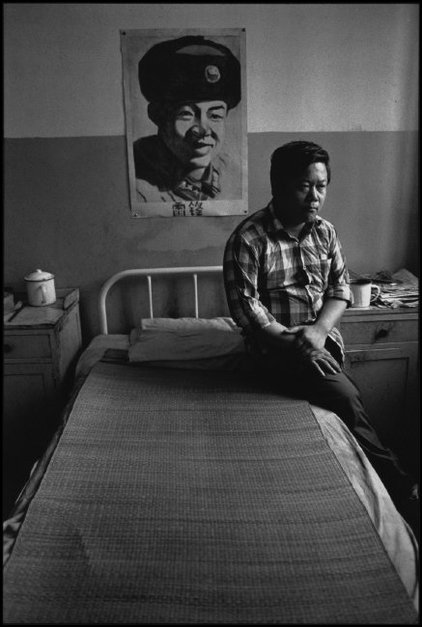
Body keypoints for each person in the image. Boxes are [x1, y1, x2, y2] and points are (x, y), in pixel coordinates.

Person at [223, 140, 419, 537]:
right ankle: (404, 490)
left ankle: (394, 482)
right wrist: (297, 343)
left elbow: (339, 290)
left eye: (322, 186)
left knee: (343, 395)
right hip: (274, 348)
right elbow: (247, 310)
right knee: (345, 397)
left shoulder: (326, 233)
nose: (315, 196)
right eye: (304, 186)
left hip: (320, 340)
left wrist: (317, 332)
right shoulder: (249, 238)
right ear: (278, 185)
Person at [133, 35, 242, 202]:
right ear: (157, 115)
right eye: (186, 114)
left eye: (215, 116)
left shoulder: (233, 175)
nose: (203, 129)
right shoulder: (139, 184)